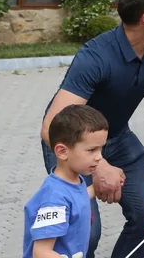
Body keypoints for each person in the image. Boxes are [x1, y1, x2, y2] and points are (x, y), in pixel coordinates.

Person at [40, 0, 144, 258]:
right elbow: (52, 126)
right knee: (85, 231)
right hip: (71, 142)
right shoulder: (96, 57)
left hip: (117, 137)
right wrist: (99, 166)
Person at [24, 105, 107, 258]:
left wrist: (95, 188)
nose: (99, 157)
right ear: (62, 152)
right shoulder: (54, 199)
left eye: (101, 149)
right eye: (91, 150)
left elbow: (75, 199)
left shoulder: (73, 181)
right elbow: (41, 252)